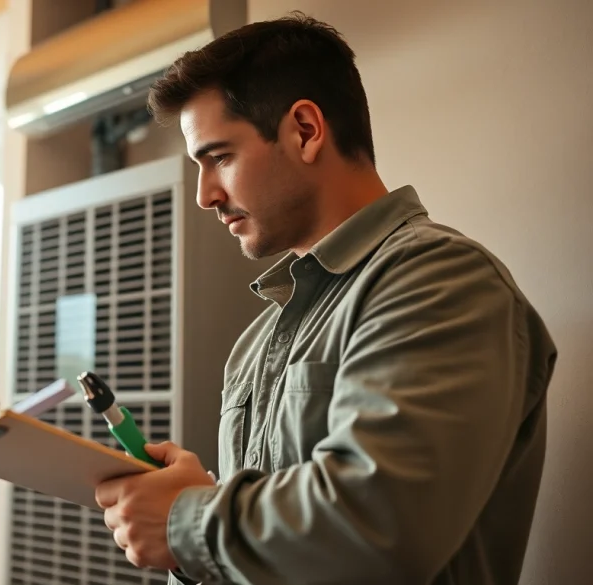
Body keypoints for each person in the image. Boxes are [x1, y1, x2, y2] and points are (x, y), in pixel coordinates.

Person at [93, 12, 557, 585]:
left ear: (306, 131)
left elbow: (379, 527)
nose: (205, 195)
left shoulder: (444, 281)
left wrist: (185, 519)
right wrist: (189, 541)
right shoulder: (256, 343)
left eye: (219, 158)